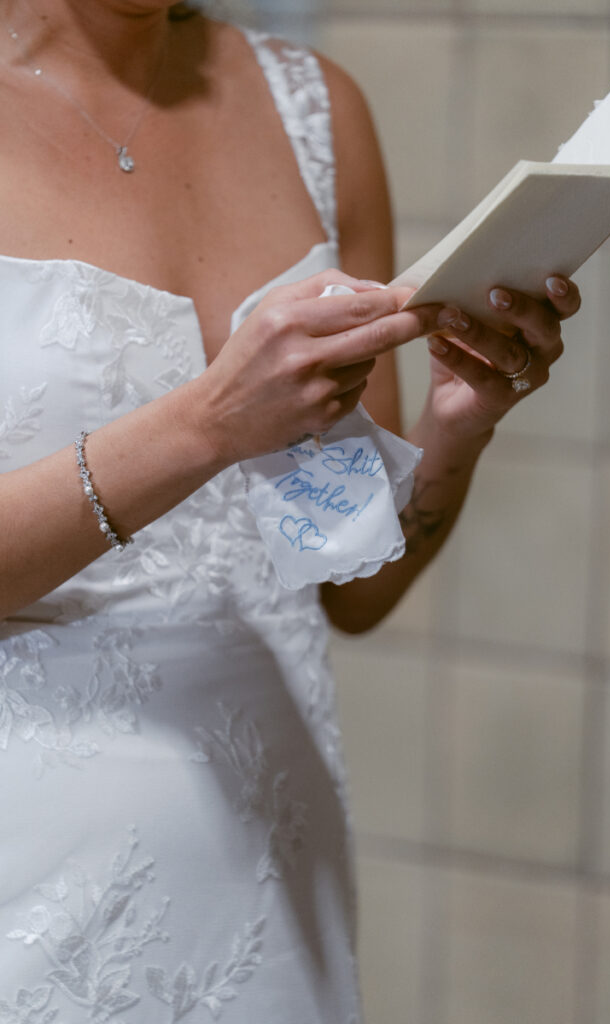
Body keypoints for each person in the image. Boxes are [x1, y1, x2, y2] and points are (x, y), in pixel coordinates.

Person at [0, 0, 580, 1018]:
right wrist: (208, 424)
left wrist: (458, 425)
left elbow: (356, 590)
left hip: (266, 870)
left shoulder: (315, 107)